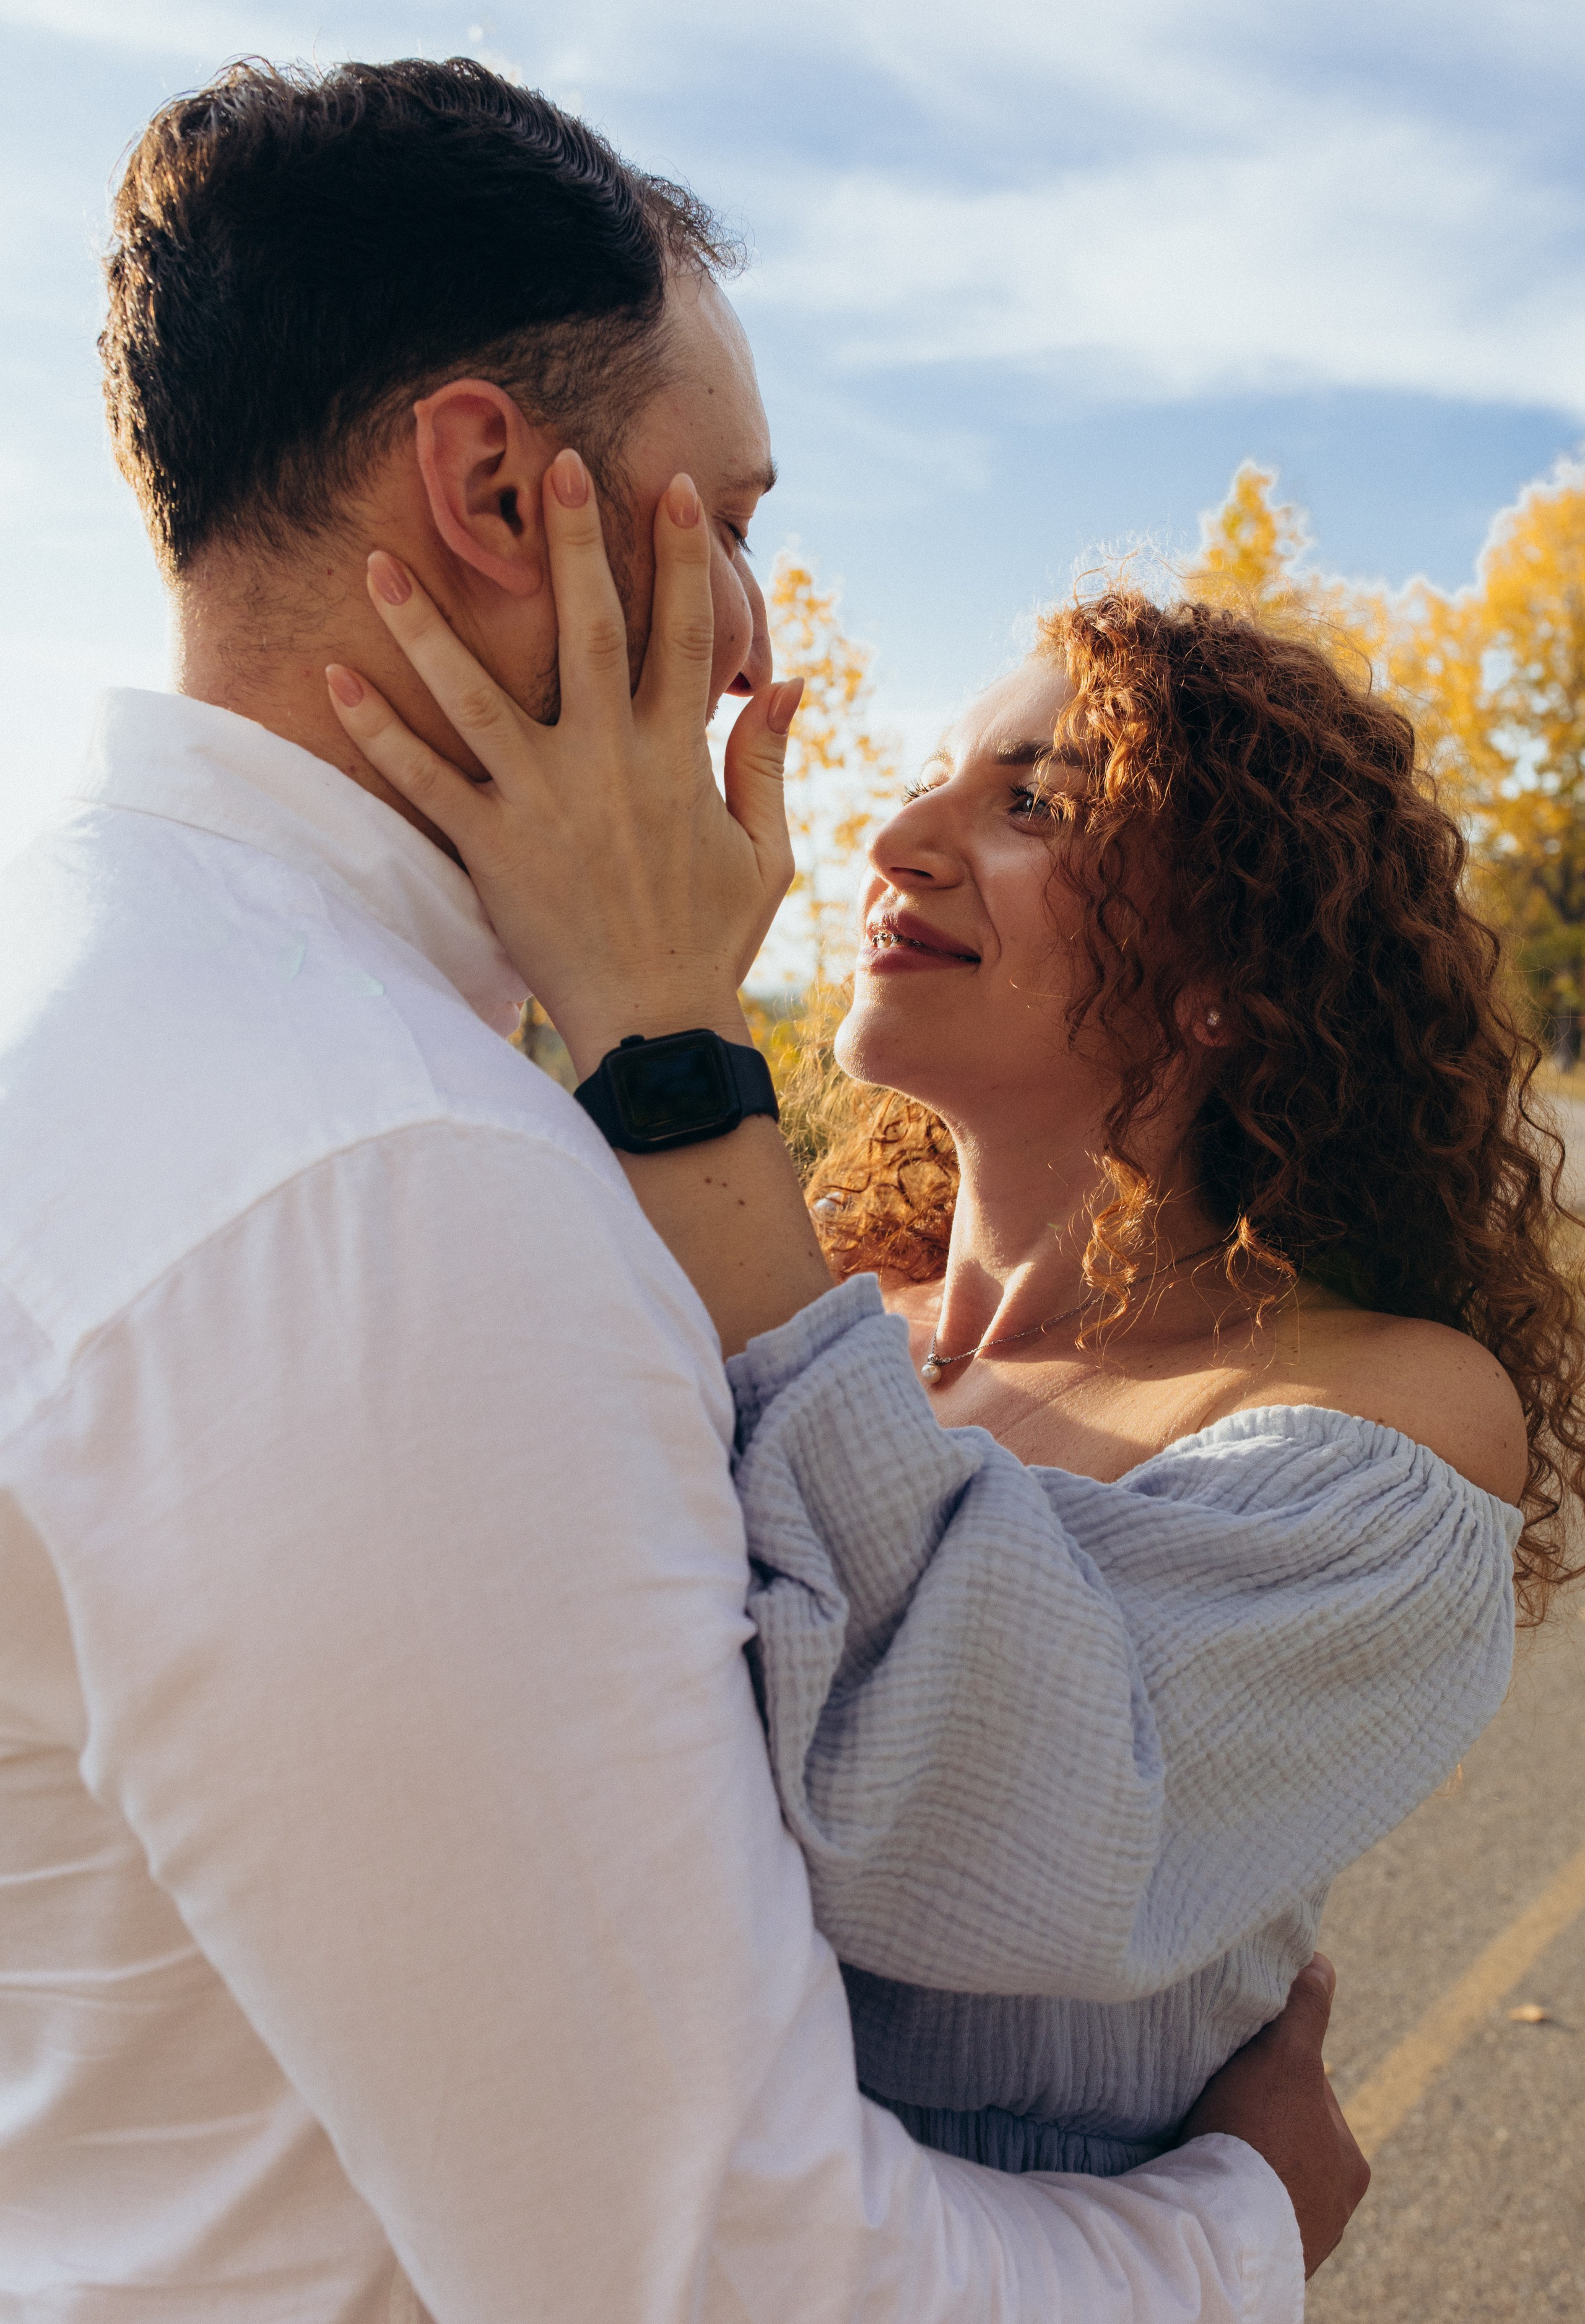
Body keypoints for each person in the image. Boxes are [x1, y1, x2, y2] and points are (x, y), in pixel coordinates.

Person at [0, 56, 1361, 2323]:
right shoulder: (391, 1189)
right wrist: (1239, 2227)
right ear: (491, 493)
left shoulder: (105, 996)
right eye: (722, 518)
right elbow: (716, 2279)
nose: (758, 628)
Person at [329, 410, 1582, 2186]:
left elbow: (975, 1814)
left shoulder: (1386, 1412)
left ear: (1237, 971)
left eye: (1034, 806)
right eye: (932, 778)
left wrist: (673, 1039)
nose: (896, 837)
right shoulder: (776, 1279)